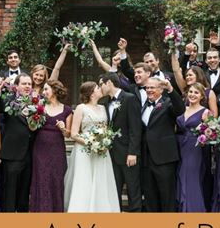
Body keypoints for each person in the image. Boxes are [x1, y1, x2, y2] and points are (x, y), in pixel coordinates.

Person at [64, 81, 120, 212]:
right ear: (91, 93)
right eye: (97, 88)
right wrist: (91, 142)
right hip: (84, 151)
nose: (100, 89)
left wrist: (104, 142)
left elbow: (105, 129)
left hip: (101, 150)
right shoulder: (81, 108)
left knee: (101, 179)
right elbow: (73, 134)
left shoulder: (102, 107)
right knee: (84, 180)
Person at [140, 76, 185, 212]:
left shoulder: (168, 104)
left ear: (161, 89)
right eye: (147, 87)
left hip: (164, 158)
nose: (149, 90)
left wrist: (171, 89)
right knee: (150, 197)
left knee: (167, 196)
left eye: (152, 87)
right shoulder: (143, 106)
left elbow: (180, 109)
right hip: (146, 159)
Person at [99, 72, 142, 212]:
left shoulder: (130, 99)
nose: (100, 88)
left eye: (101, 84)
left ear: (109, 83)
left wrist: (133, 152)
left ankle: (135, 216)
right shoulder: (104, 102)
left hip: (127, 153)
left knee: (132, 188)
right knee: (113, 188)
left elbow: (135, 128)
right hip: (111, 153)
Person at [30, 80, 72, 212]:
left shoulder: (67, 110)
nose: (44, 92)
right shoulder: (39, 107)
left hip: (57, 150)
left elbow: (68, 134)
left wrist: (63, 128)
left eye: (46, 89)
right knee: (42, 178)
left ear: (54, 90)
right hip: (40, 149)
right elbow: (32, 127)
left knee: (56, 178)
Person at [0, 73, 36, 212]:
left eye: (29, 84)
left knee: (24, 193)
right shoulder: (8, 100)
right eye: (24, 84)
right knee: (10, 192)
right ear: (17, 86)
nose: (27, 86)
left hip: (29, 154)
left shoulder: (36, 102)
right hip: (12, 154)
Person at [176, 82, 211, 212]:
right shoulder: (182, 109)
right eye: (190, 92)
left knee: (190, 177)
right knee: (180, 175)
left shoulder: (205, 112)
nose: (192, 94)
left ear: (202, 96)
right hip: (179, 145)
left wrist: (202, 134)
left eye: (196, 92)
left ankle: (193, 210)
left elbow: (211, 133)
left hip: (194, 148)